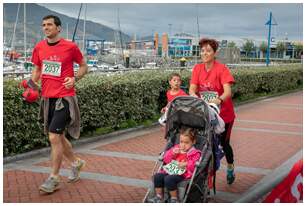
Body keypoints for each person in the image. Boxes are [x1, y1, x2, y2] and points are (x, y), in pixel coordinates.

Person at [30, 15, 88, 193]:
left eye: (49, 25)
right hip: (47, 98)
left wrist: (75, 78)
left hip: (65, 98)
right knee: (60, 137)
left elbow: (84, 66)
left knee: (54, 137)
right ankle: (76, 163)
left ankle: (54, 178)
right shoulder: (39, 47)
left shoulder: (70, 46)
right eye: (43, 25)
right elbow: (38, 69)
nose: (45, 28)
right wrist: (32, 86)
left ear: (58, 28)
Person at [189, 38, 236, 185]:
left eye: (208, 51)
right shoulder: (197, 68)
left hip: (224, 115)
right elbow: (192, 88)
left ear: (214, 53)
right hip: (206, 113)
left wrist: (218, 100)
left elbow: (227, 91)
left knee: (223, 143)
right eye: (202, 50)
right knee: (207, 145)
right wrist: (193, 97)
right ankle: (207, 180)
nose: (204, 53)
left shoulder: (222, 69)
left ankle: (230, 167)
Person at [148, 127, 201, 203]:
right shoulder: (176, 148)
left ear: (193, 142)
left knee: (169, 179)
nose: (183, 145)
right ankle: (159, 197)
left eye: (186, 143)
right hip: (170, 170)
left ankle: (174, 199)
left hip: (182, 173)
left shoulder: (195, 153)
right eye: (181, 142)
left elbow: (194, 164)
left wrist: (186, 164)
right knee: (157, 176)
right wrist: (172, 154)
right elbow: (166, 159)